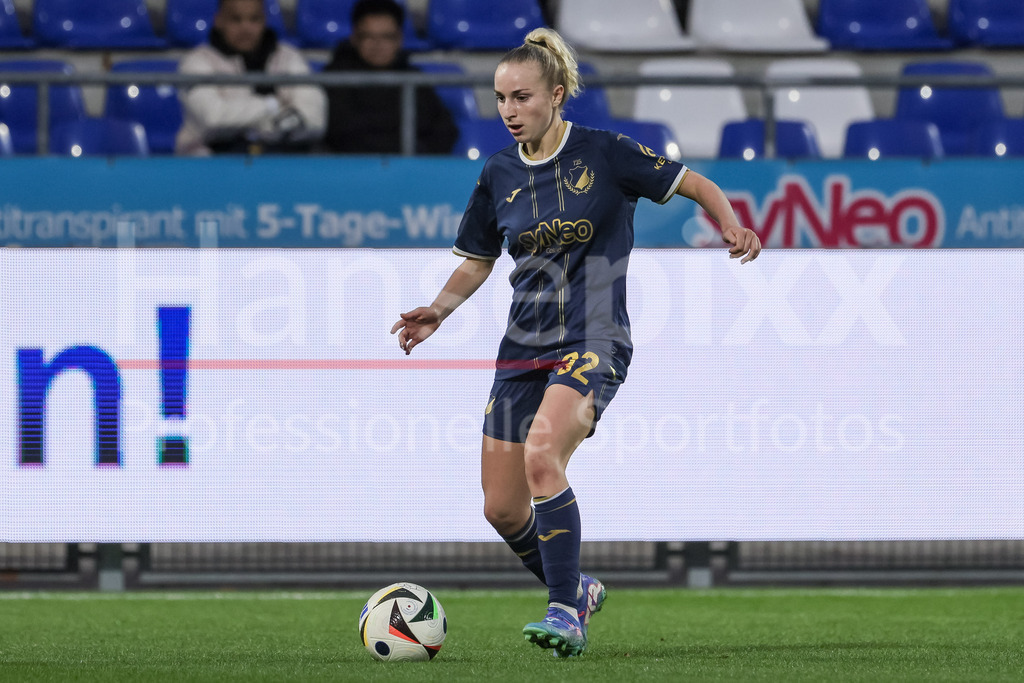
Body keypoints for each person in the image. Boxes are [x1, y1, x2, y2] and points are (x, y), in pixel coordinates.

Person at [391, 28, 760, 657]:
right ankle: (577, 588)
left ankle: (564, 610)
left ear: (556, 95)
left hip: (594, 337)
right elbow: (479, 259)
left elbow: (694, 182)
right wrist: (439, 311)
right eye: (501, 98)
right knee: (502, 510)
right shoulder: (498, 173)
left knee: (543, 455)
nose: (509, 111)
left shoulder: (606, 153)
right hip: (520, 349)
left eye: (522, 97)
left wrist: (729, 223)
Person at [175, 0, 326, 155]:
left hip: (280, 157)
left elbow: (314, 118)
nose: (246, 28)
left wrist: (257, 126)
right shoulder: (197, 61)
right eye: (236, 19)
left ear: (265, 21)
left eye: (254, 19)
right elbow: (214, 118)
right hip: (212, 162)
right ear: (218, 21)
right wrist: (273, 104)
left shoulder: (289, 57)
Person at [321, 0, 459, 155]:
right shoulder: (334, 79)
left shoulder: (414, 79)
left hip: (409, 173)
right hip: (350, 172)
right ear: (354, 38)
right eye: (368, 36)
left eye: (387, 37)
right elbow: (340, 134)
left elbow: (444, 131)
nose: (378, 44)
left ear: (399, 39)